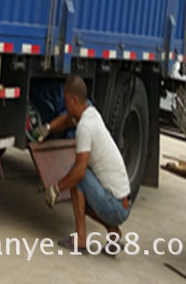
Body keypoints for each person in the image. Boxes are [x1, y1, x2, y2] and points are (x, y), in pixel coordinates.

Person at [38, 74, 131, 252]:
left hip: (116, 206)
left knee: (77, 175)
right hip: (123, 202)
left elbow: (79, 172)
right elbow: (67, 120)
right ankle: (113, 232)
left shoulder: (85, 127)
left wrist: (55, 189)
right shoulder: (91, 113)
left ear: (73, 100)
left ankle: (80, 238)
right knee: (80, 196)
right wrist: (48, 128)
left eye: (66, 101)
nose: (64, 106)